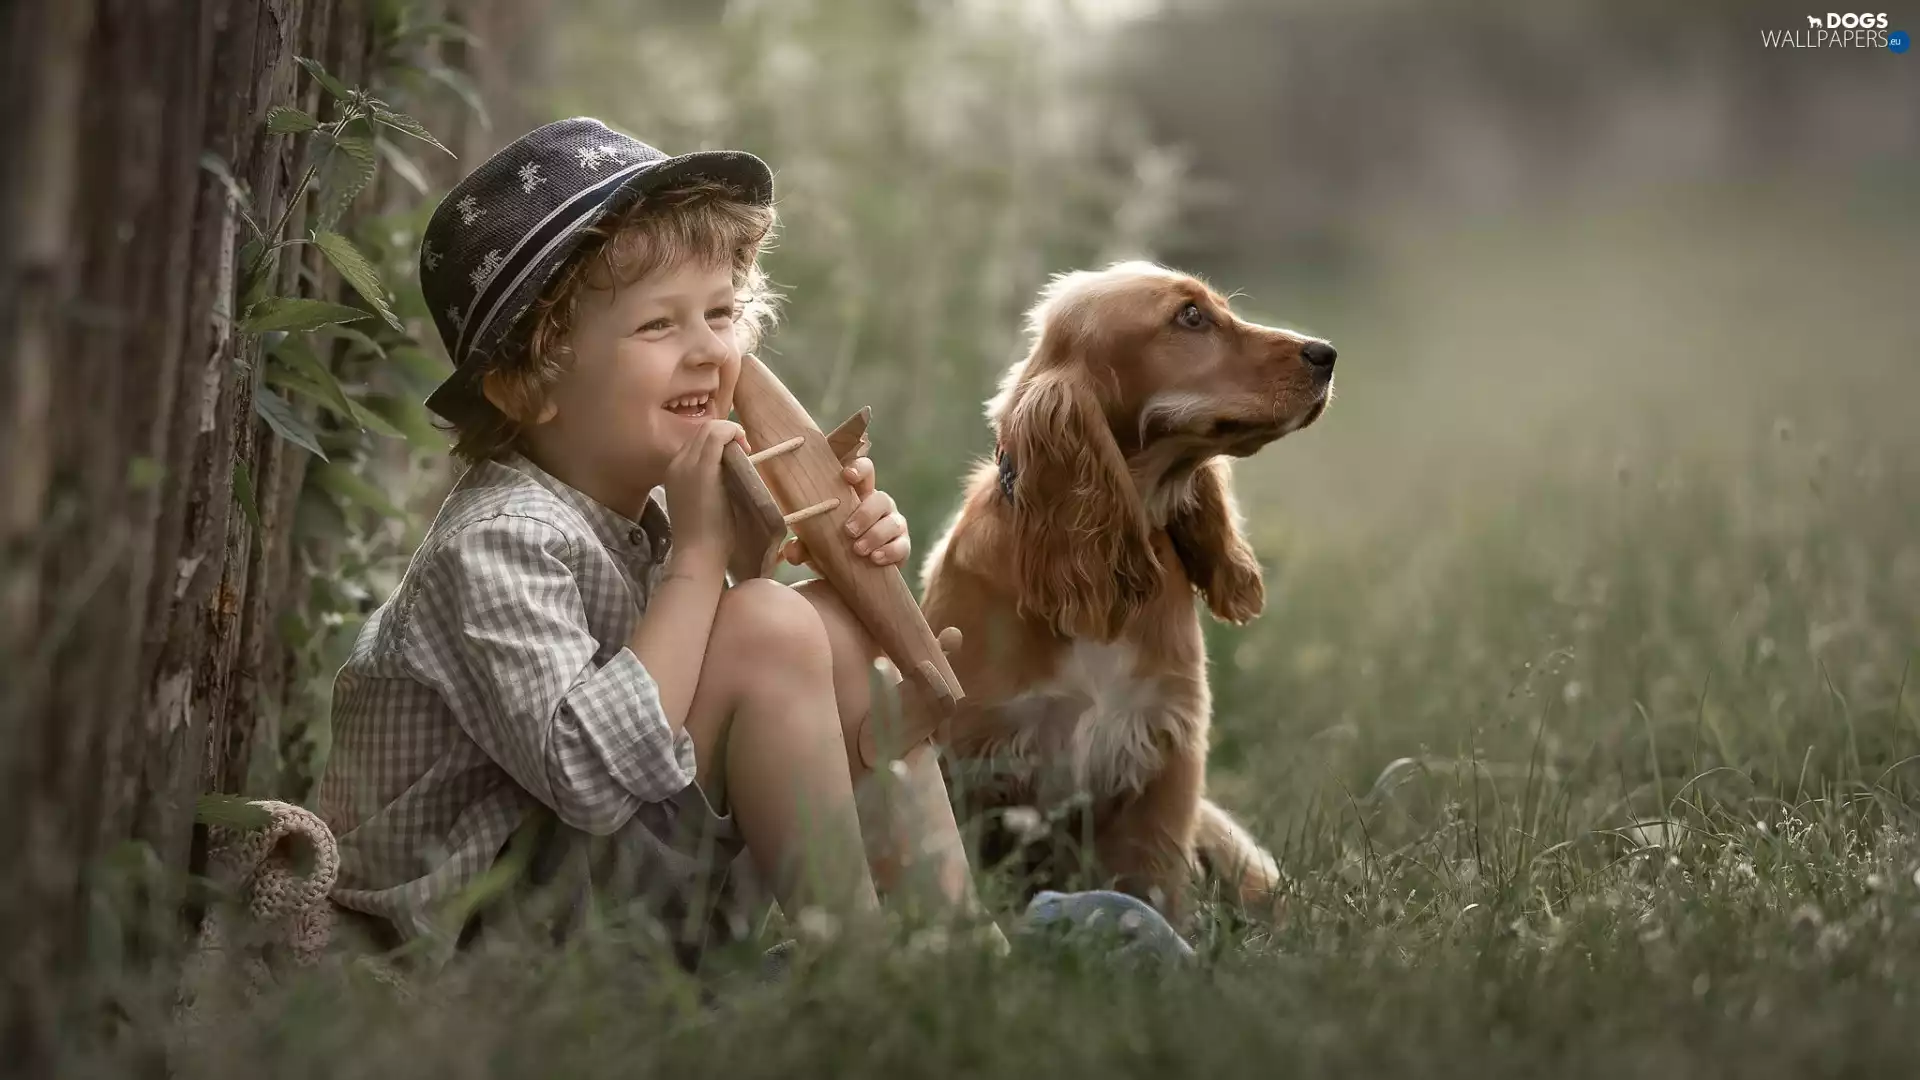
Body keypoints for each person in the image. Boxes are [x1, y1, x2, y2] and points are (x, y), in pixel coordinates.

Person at [317, 117, 997, 969]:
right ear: (529, 385)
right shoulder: (495, 547)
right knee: (771, 627)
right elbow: (591, 775)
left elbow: (706, 686)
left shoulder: (642, 517)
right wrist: (705, 562)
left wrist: (820, 560)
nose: (711, 350)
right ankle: (861, 978)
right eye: (657, 327)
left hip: (587, 898)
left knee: (825, 623)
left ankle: (960, 948)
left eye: (720, 313)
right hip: (475, 953)